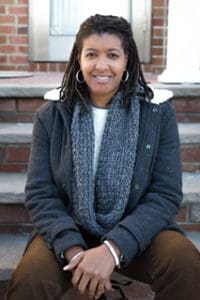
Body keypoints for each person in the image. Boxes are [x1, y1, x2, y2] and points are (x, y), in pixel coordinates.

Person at [6, 14, 200, 300]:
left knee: (185, 264)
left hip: (137, 231)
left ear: (127, 61)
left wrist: (112, 249)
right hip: (70, 229)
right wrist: (74, 250)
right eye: (91, 54)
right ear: (78, 60)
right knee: (30, 281)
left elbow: (165, 194)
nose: (101, 65)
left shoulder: (157, 115)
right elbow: (40, 194)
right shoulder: (52, 116)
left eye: (112, 55)